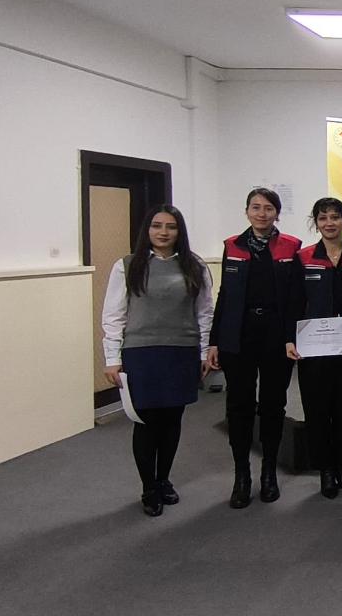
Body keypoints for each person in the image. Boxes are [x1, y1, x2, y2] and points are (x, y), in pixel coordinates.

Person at [101, 205, 213, 516]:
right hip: (141, 353)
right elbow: (113, 316)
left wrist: (202, 352)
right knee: (146, 422)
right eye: (156, 226)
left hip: (181, 353)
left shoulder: (195, 266)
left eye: (171, 227)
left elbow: (204, 313)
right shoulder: (127, 266)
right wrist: (112, 358)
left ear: (180, 232)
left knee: (172, 421)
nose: (163, 232)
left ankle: (164, 479)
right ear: (147, 230)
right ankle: (148, 487)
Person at [209, 188, 302, 509]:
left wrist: (293, 335)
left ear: (277, 213)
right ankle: (242, 475)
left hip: (276, 337)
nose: (262, 214)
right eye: (256, 208)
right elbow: (224, 295)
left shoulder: (292, 247)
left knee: (273, 406)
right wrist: (214, 340)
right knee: (239, 406)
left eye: (268, 209)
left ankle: (268, 473)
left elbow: (295, 299)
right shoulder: (232, 246)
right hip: (239, 337)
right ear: (247, 211)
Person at [284, 198, 342, 499]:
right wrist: (289, 338)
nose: (329, 223)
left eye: (335, 217)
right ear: (316, 223)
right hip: (314, 347)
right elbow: (294, 301)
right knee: (318, 409)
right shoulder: (304, 257)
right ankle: (325, 471)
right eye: (323, 218)